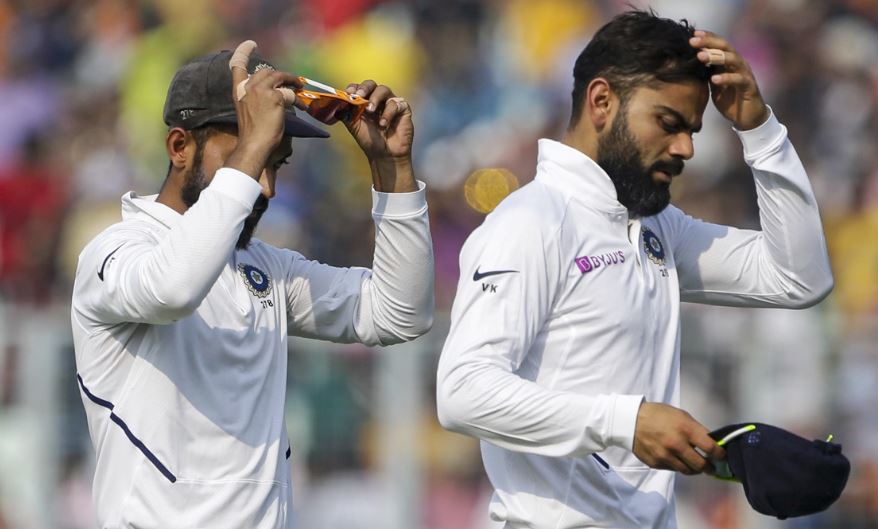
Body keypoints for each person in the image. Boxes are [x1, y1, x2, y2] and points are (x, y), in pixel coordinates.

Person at [436, 10, 833, 529]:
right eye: (668, 123)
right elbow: (462, 392)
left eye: (691, 130)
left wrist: (760, 131)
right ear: (602, 101)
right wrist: (628, 422)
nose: (686, 148)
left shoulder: (655, 227)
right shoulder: (532, 220)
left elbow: (800, 278)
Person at [71, 40, 434, 528]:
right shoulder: (113, 252)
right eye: (251, 153)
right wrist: (253, 148)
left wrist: (393, 172)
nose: (267, 187)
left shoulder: (266, 268)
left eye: (276, 161)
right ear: (179, 147)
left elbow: (399, 314)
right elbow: (173, 290)